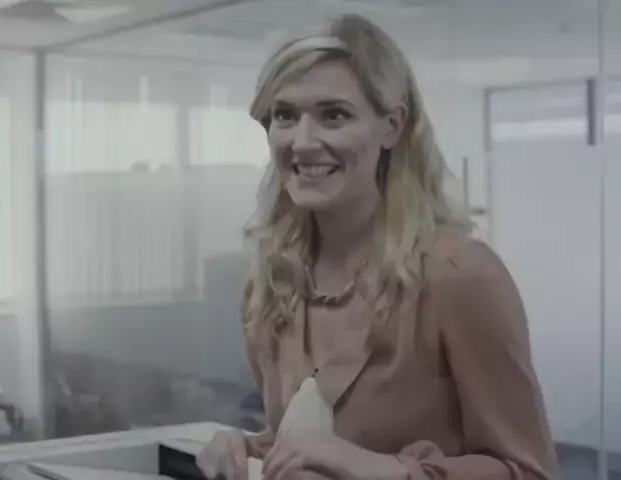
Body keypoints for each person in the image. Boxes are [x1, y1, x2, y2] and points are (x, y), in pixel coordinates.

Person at [198, 13, 557, 480]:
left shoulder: (459, 275)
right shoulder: (272, 282)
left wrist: (386, 470)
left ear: (392, 127)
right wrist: (246, 448)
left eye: (334, 115)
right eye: (285, 115)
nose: (302, 142)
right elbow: (316, 443)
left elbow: (528, 472)